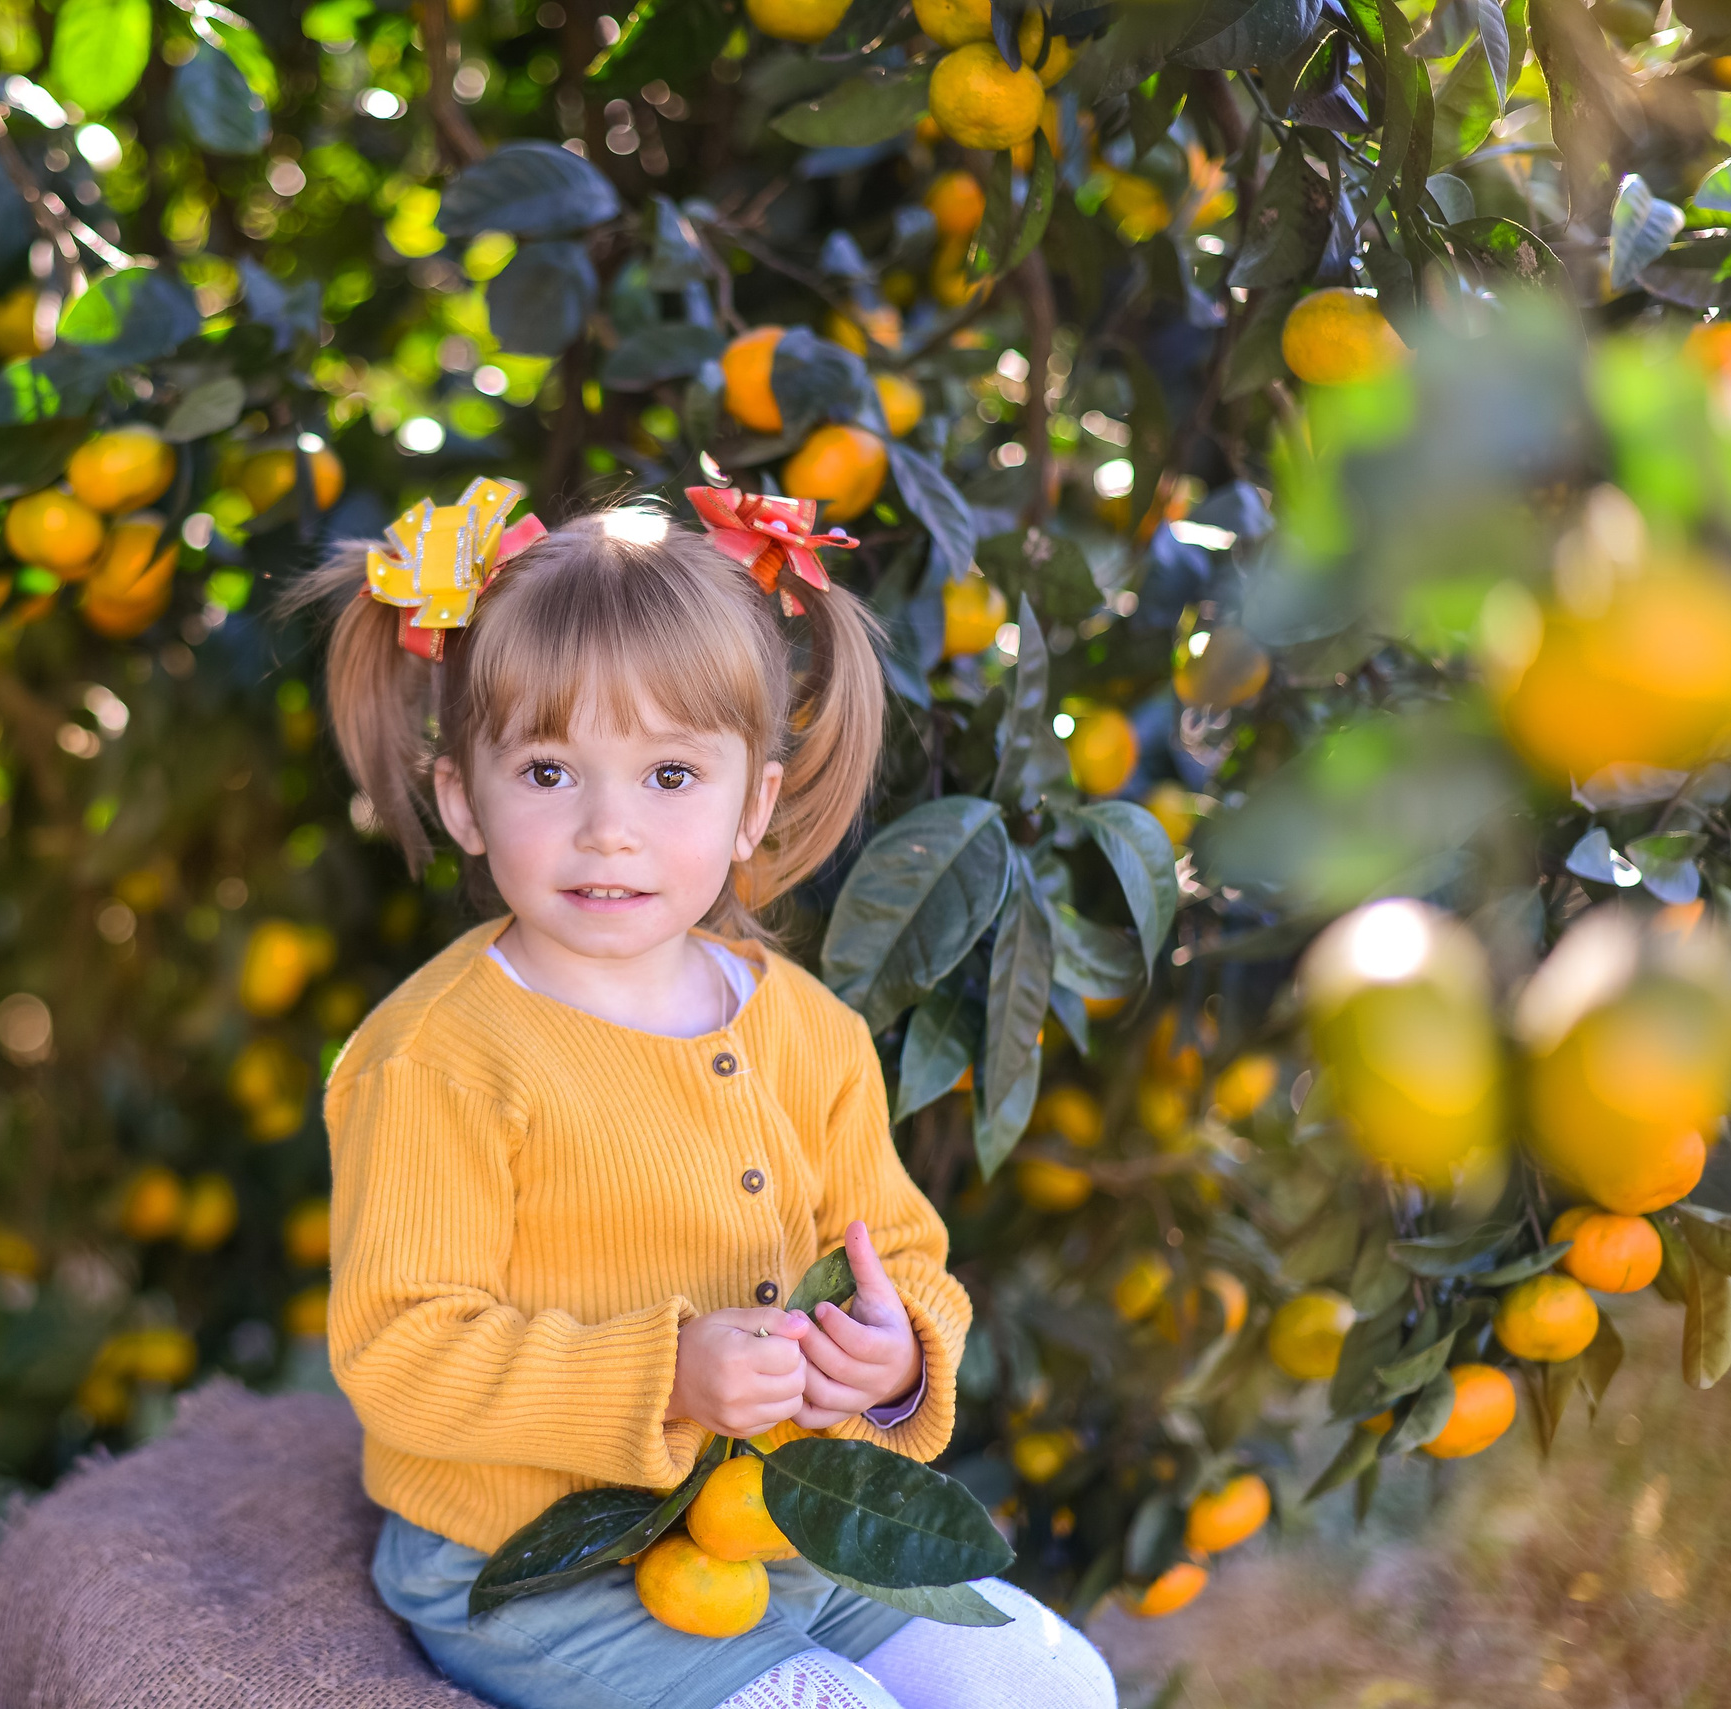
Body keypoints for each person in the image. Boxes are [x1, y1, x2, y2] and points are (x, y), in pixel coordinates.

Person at [294, 481, 1117, 1709]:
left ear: (753, 804)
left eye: (671, 774)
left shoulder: (808, 1028)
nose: (609, 829)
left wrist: (891, 1355)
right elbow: (398, 1347)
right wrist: (666, 1378)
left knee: (1048, 1687)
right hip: (536, 1562)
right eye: (548, 771)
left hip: (781, 1528)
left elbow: (898, 1250)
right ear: (463, 797)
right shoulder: (438, 1058)